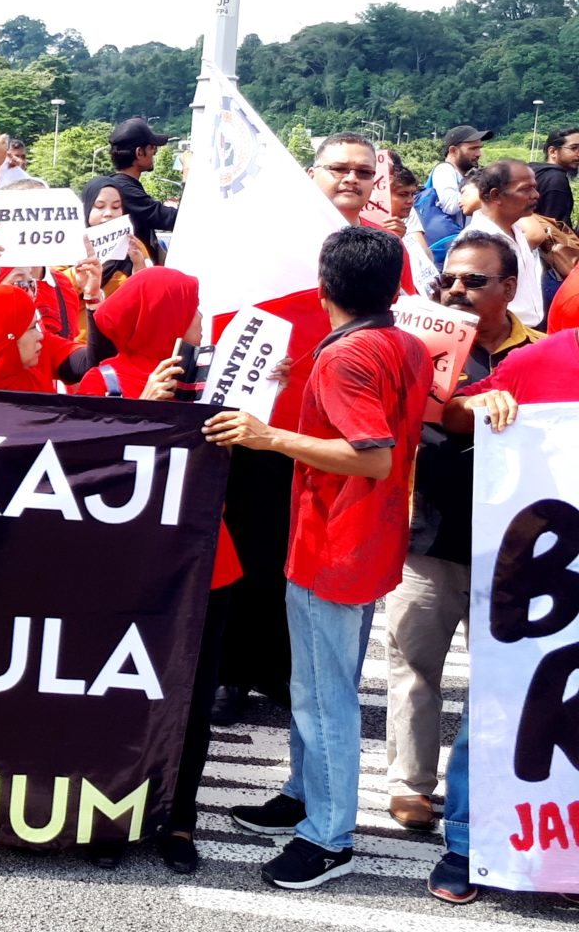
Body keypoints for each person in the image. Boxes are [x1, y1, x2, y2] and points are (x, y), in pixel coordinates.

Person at [212, 227, 431, 891]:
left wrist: (267, 434)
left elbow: (373, 453)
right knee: (319, 686)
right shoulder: (403, 343)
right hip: (370, 540)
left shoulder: (347, 357)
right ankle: (305, 797)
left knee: (322, 696)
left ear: (324, 282)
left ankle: (327, 836)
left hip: (334, 544)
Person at [72, 268, 238, 874]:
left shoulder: (214, 378)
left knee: (190, 700)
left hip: (204, 566)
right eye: (193, 308)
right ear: (166, 318)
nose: (201, 320)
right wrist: (145, 414)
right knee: (119, 695)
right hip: (125, 569)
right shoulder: (103, 380)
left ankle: (180, 819)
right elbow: (76, 470)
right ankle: (109, 814)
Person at [383, 232, 539, 832]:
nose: (458, 290)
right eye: (451, 279)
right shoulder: (418, 344)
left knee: (499, 677)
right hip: (427, 535)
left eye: (475, 281)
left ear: (509, 288)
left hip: (513, 546)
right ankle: (408, 785)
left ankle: (483, 792)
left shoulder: (543, 351)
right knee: (413, 666)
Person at [428, 317, 579, 903]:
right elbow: (454, 413)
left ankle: (565, 853)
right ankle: (467, 845)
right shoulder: (544, 357)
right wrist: (482, 400)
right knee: (502, 704)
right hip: (540, 583)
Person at [463, 159, 554, 328]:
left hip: (527, 332)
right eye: (526, 189)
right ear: (496, 195)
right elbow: (470, 306)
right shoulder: (476, 244)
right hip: (504, 340)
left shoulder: (516, 231)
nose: (535, 195)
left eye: (534, 187)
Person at [105, 118, 178, 262]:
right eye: (152, 148)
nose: (154, 153)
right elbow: (175, 220)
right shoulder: (126, 191)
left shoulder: (122, 185)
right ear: (139, 152)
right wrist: (188, 175)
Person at [79, 178, 151, 296]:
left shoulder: (135, 246)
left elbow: (146, 293)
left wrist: (139, 265)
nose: (108, 213)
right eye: (100, 206)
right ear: (86, 208)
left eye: (116, 207)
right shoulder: (68, 247)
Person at [424, 125, 490, 241]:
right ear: (453, 150)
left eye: (479, 148)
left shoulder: (463, 176)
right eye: (473, 148)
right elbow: (450, 205)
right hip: (444, 246)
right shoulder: (444, 170)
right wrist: (483, 195)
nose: (479, 153)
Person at [530, 127, 579, 227]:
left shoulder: (532, 170)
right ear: (553, 152)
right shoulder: (556, 179)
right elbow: (557, 228)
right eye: (574, 148)